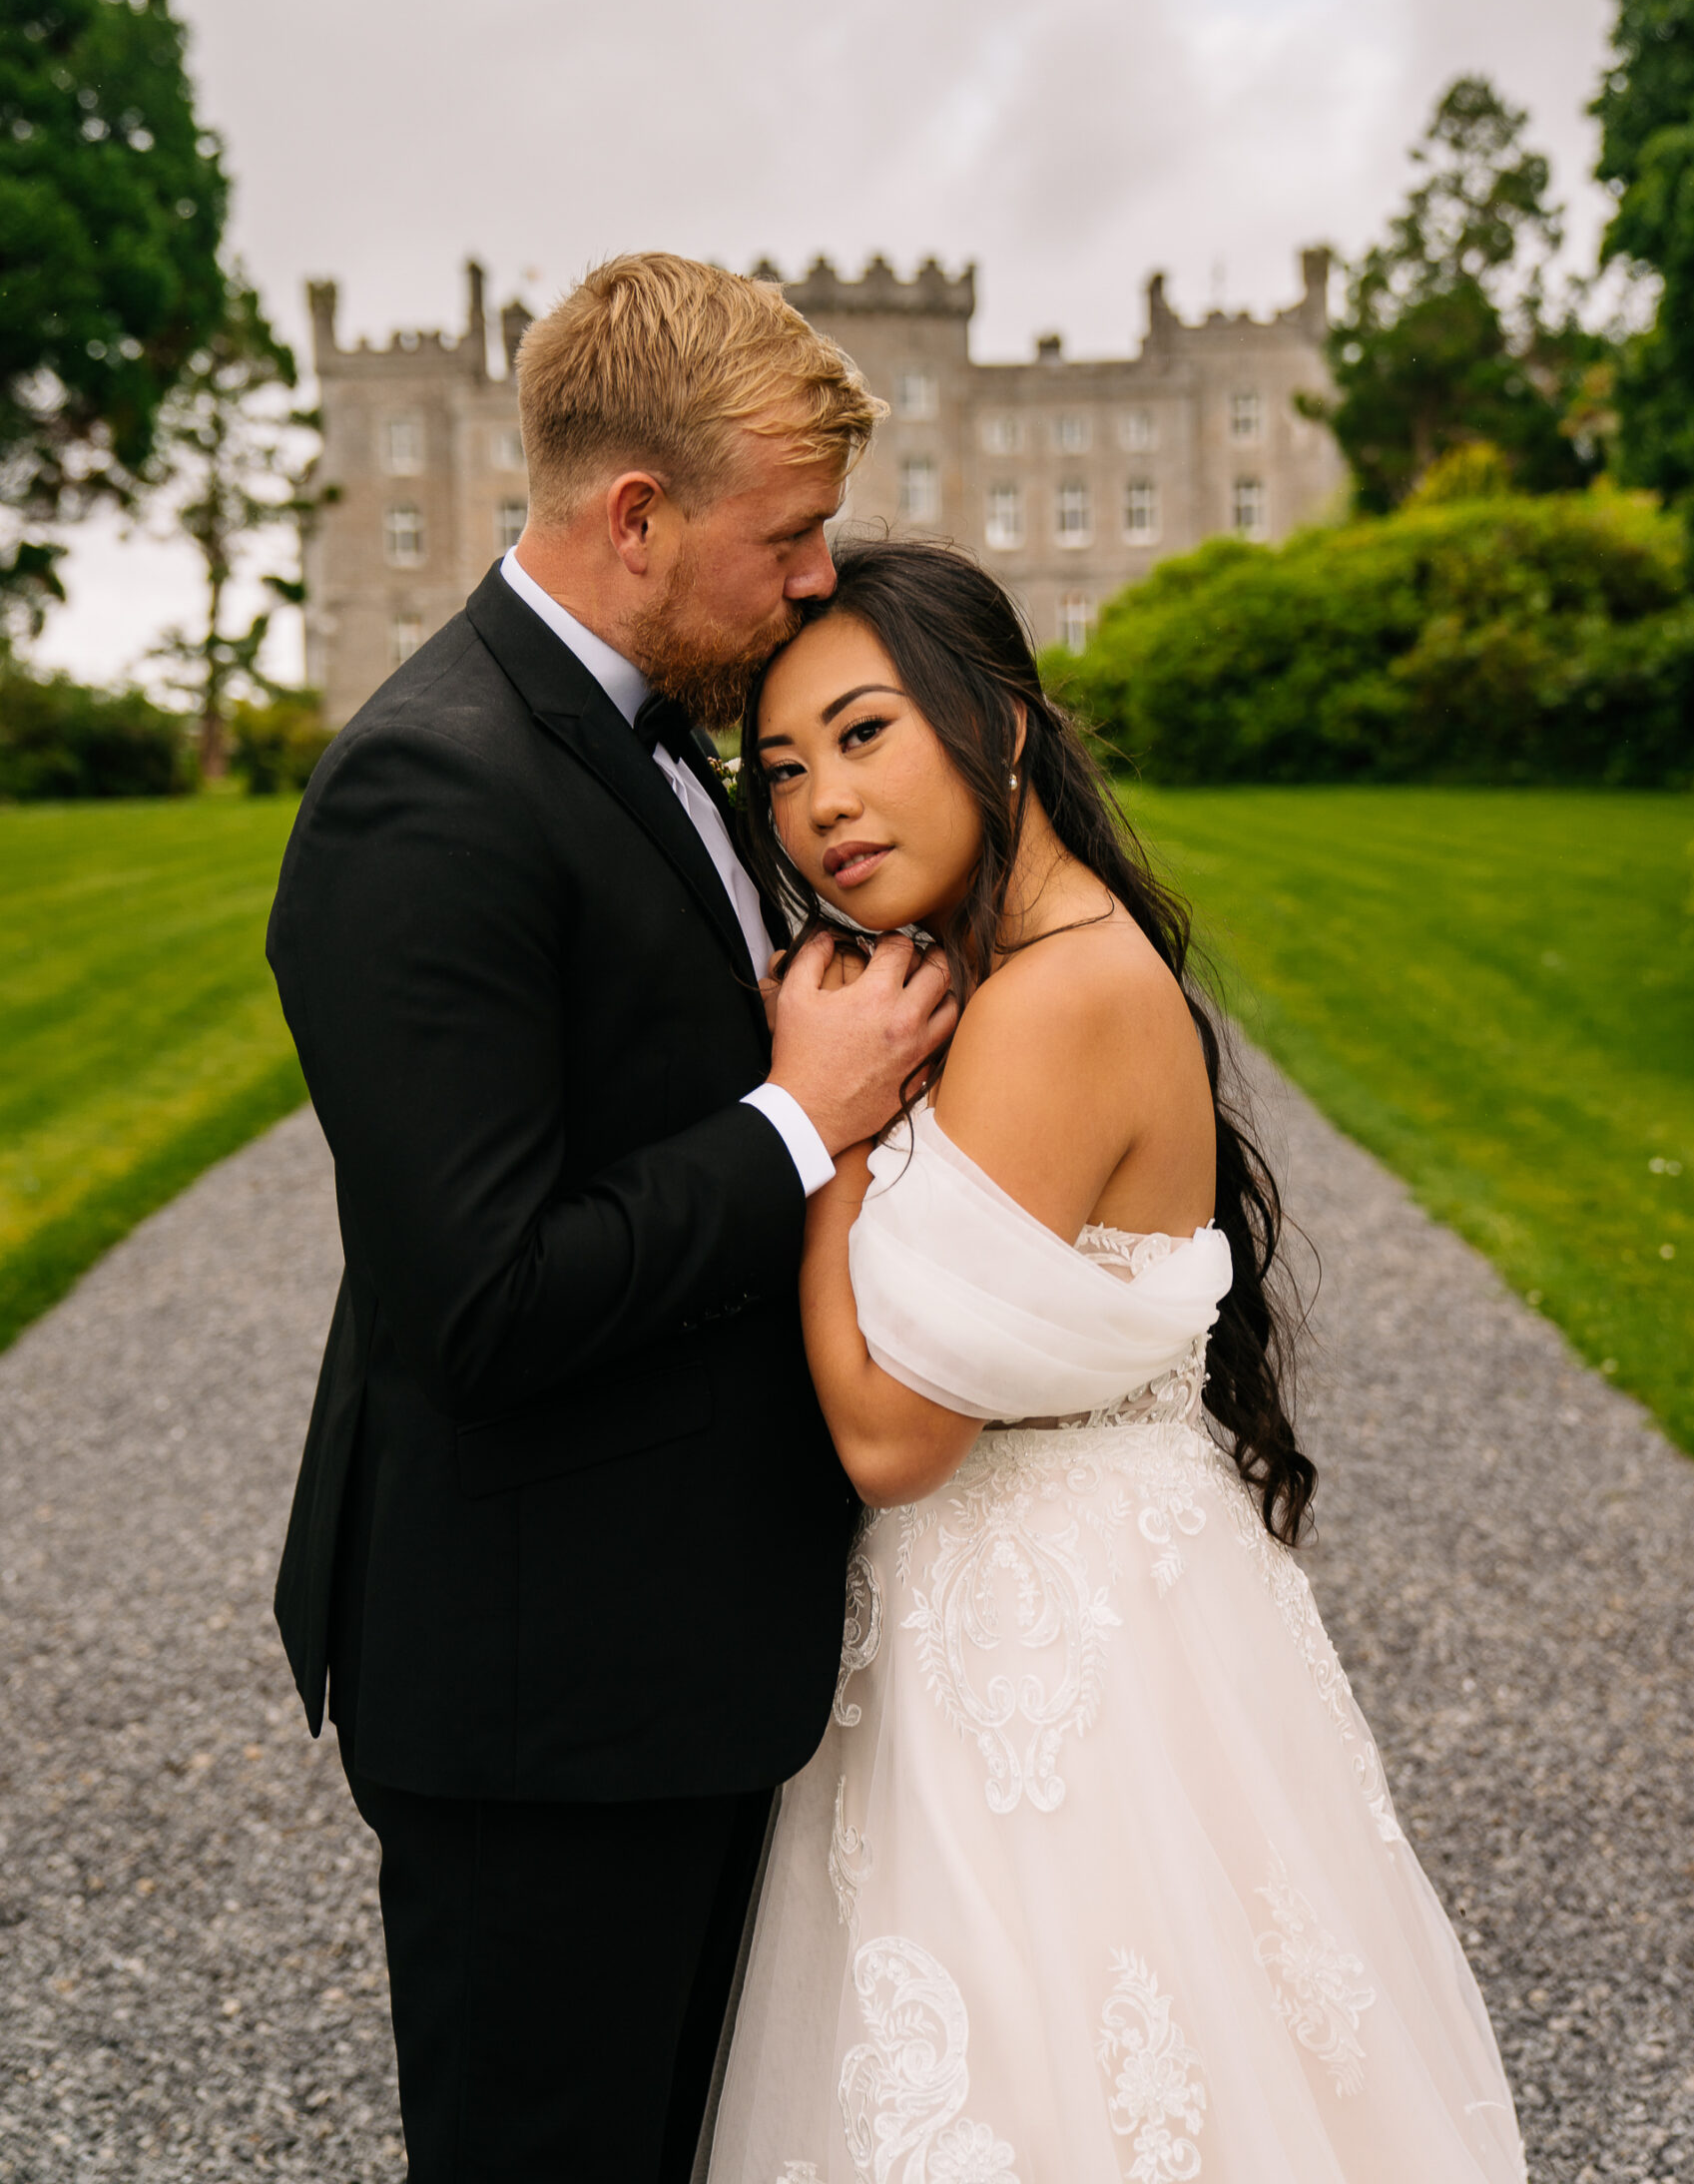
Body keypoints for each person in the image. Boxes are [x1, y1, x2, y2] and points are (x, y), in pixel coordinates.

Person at [703, 538, 1526, 2183]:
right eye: (784, 768)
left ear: (1001, 725)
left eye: (866, 735)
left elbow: (889, 1436)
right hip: (1073, 1610)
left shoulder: (1050, 1000)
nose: (820, 808)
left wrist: (828, 1126)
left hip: (1050, 1656)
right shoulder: (1011, 966)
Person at [267, 257, 955, 2183]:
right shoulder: (429, 792)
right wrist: (793, 1118)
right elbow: (481, 1298)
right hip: (540, 1698)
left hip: (680, 1653)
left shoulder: (668, 735)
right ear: (636, 517)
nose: (818, 580)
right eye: (791, 537)